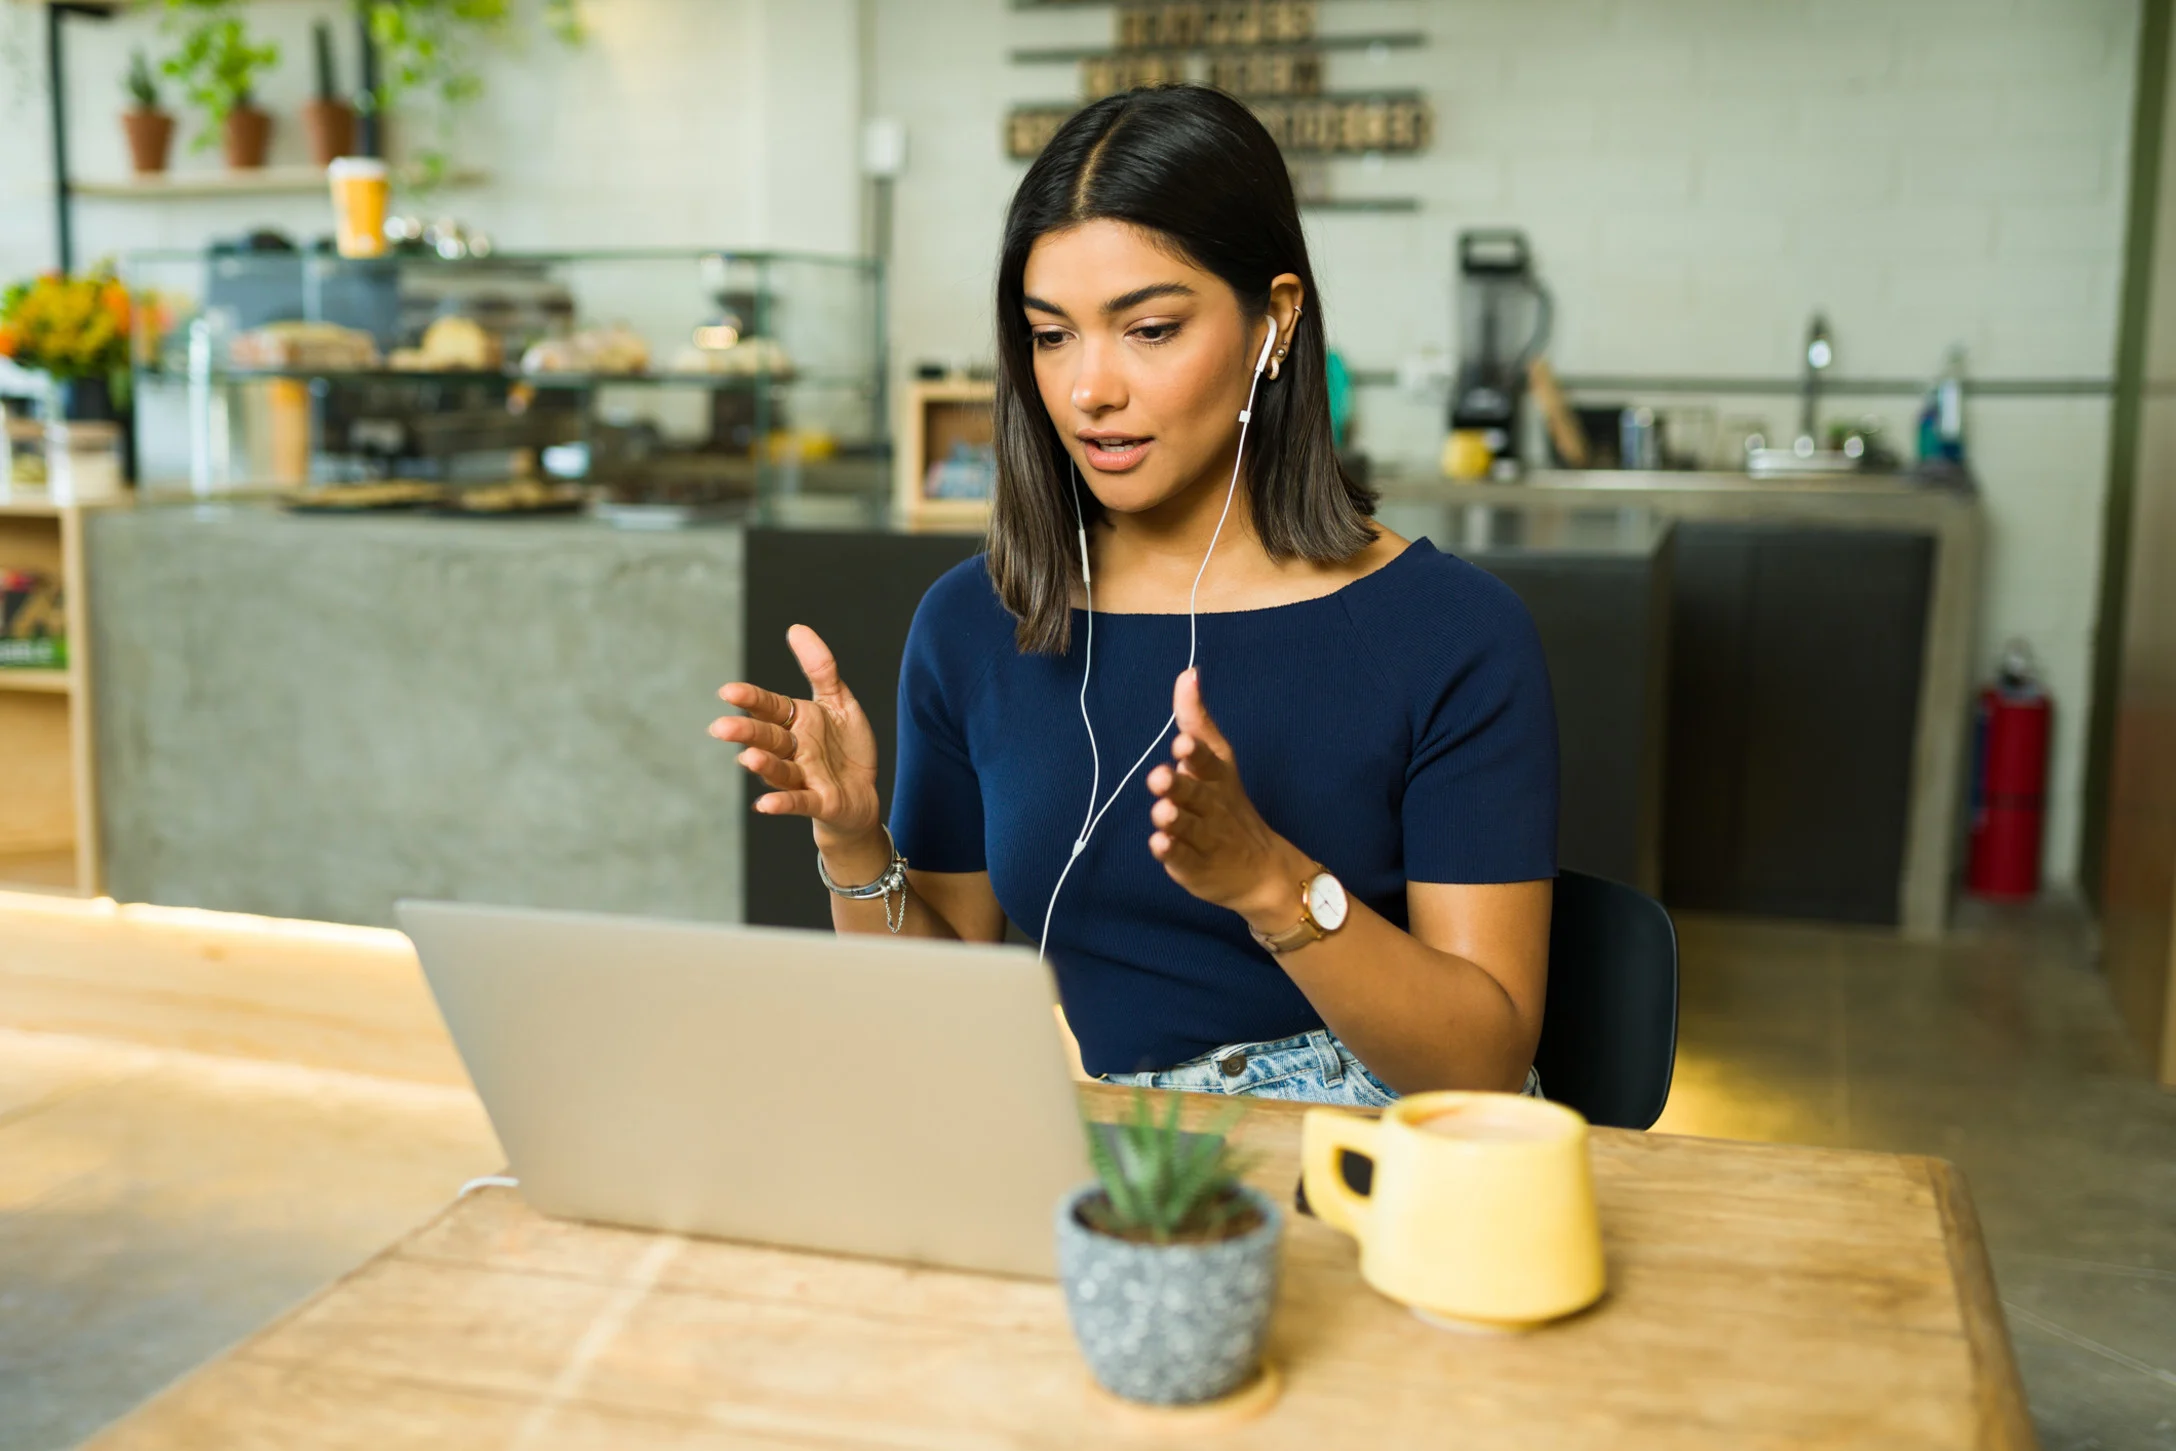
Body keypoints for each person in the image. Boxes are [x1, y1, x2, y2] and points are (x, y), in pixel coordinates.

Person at [711, 86, 1557, 1108]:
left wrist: (1266, 879)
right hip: (1131, 1155)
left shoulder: (1450, 633)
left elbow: (1484, 1064)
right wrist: (853, 842)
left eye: (1148, 329)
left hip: (1393, 1157)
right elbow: (939, 1017)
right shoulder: (976, 624)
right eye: (1051, 334)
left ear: (1273, 321)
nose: (1087, 389)